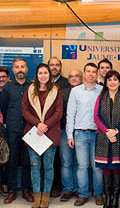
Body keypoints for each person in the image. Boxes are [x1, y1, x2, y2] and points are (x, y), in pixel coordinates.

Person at [22, 63, 63, 208]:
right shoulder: (30, 90)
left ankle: (46, 196)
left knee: (49, 167)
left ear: (49, 75)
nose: (43, 75)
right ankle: (36, 196)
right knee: (35, 166)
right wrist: (38, 124)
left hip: (50, 133)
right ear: (37, 75)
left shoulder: (56, 91)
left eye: (46, 72)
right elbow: (25, 111)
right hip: (33, 133)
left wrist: (45, 125)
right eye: (40, 73)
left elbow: (59, 112)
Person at [66, 62, 104, 206]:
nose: (91, 74)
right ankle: (82, 195)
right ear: (84, 73)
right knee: (81, 166)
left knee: (97, 167)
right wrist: (70, 135)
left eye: (94, 72)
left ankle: (98, 194)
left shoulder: (102, 90)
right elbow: (70, 114)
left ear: (97, 74)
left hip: (98, 134)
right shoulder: (76, 91)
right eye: (88, 71)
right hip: (80, 134)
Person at [0, 58, 33, 204]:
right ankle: (12, 190)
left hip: (29, 129)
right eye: (16, 67)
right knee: (11, 160)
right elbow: (4, 108)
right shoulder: (7, 88)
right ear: (13, 70)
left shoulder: (33, 86)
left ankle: (26, 189)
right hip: (12, 129)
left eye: (22, 67)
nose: (20, 69)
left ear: (26, 69)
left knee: (27, 161)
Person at [94, 70, 120, 208]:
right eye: (109, 80)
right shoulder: (100, 98)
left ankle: (116, 200)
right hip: (103, 137)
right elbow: (96, 117)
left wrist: (116, 131)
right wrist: (108, 132)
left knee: (117, 168)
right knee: (106, 169)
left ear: (119, 82)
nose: (112, 82)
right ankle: (108, 198)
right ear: (106, 83)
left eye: (115, 79)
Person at [60, 68, 82, 202]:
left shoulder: (86, 93)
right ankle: (68, 189)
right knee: (67, 162)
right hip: (64, 132)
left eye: (77, 76)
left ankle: (79, 188)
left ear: (82, 78)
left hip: (81, 132)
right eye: (71, 76)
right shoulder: (62, 93)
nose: (74, 78)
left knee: (80, 163)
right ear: (68, 80)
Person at [48, 56, 68, 197]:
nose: (54, 67)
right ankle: (44, 187)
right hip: (43, 127)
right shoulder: (41, 81)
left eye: (57, 65)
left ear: (60, 67)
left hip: (60, 126)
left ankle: (57, 186)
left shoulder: (66, 83)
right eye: (52, 65)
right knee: (45, 159)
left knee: (58, 159)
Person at [0, 66, 10, 196]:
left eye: (3, 77)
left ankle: (4, 184)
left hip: (10, 128)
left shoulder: (11, 90)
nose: (1, 79)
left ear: (8, 78)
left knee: (7, 157)